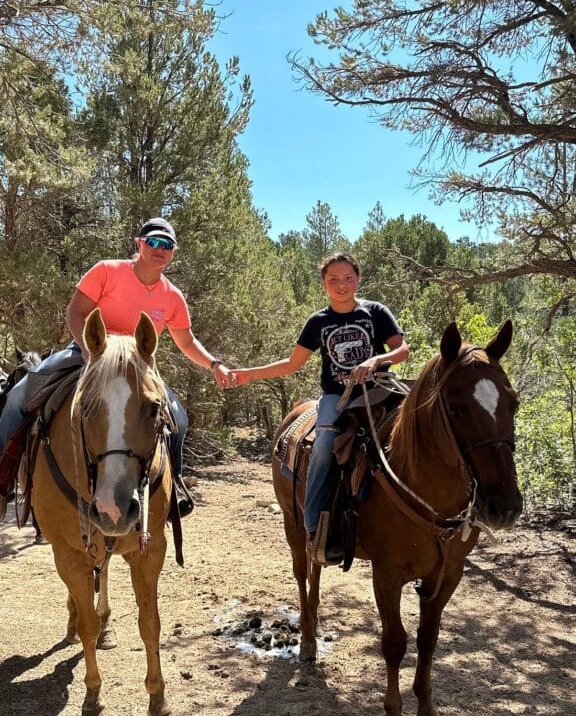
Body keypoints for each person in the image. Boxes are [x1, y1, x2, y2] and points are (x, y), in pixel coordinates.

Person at [0, 217, 234, 521]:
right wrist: (87, 350)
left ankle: (173, 489)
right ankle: (3, 479)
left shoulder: (172, 296)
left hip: (138, 366)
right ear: (139, 244)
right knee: (20, 396)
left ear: (174, 252)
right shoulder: (107, 271)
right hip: (90, 353)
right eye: (153, 242)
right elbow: (76, 312)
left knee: (178, 419)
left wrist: (214, 363)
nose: (160, 249)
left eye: (167, 245)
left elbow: (186, 341)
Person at [233, 252, 409, 561]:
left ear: (358, 279)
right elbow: (292, 363)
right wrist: (250, 374)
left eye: (348, 278)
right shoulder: (318, 322)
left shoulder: (376, 312)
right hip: (337, 398)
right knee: (324, 444)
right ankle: (315, 527)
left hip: (380, 391)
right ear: (324, 284)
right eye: (334, 280)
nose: (342, 285)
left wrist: (376, 360)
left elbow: (401, 349)